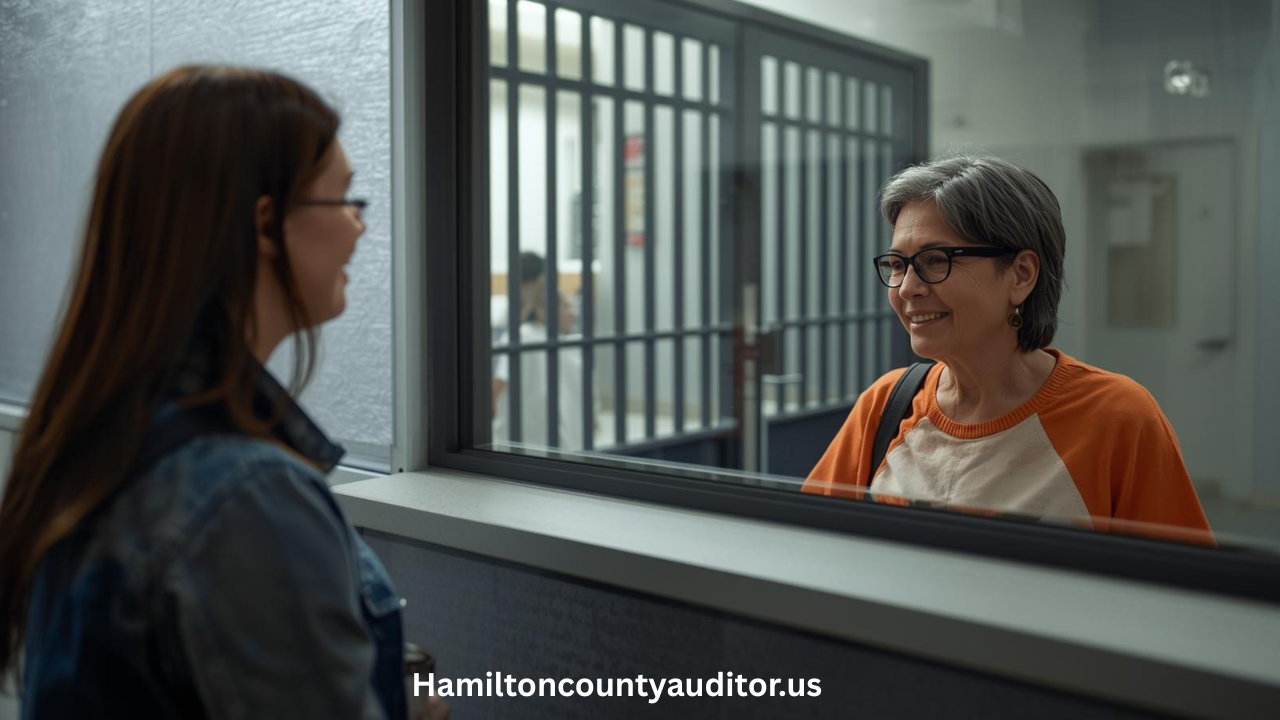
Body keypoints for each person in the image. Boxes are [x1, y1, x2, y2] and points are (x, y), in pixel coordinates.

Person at [0, 66, 446, 718]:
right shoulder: (244, 495)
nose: (359, 226)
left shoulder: (110, 433)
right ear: (265, 225)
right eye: (344, 199)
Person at [804, 155, 1211, 535]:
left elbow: (1186, 595)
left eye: (936, 260)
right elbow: (810, 546)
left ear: (1021, 275)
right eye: (897, 265)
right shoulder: (887, 405)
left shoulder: (1118, 418)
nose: (908, 288)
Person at [492, 251, 595, 452]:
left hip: (524, 443)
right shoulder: (562, 343)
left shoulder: (522, 335)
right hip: (560, 442)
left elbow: (498, 384)